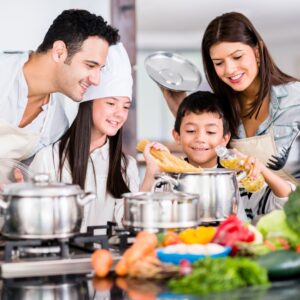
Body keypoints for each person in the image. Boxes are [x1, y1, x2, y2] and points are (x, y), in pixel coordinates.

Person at [161, 12, 300, 186]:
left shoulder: (295, 99)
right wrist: (179, 107)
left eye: (237, 57)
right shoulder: (221, 105)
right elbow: (209, 147)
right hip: (236, 212)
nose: (230, 69)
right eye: (219, 63)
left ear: (257, 52)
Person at [30, 43, 138, 232]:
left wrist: (152, 174)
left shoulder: (126, 166)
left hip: (107, 260)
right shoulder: (49, 158)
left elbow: (129, 227)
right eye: (111, 103)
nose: (120, 114)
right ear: (87, 103)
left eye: (125, 106)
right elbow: (33, 222)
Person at [148, 91, 295, 222]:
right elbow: (147, 214)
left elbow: (287, 201)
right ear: (177, 136)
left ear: (225, 139)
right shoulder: (168, 180)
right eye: (191, 130)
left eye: (211, 132)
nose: (200, 138)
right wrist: (151, 171)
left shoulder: (239, 180)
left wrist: (261, 168)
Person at [0, 9, 119, 163]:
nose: (96, 80)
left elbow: (30, 170)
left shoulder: (57, 123)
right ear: (59, 52)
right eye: (90, 66)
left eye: (100, 69)